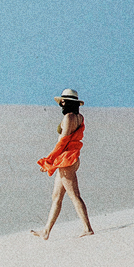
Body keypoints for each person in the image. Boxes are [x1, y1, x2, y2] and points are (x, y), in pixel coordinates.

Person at [32, 89, 94, 240]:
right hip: (69, 159)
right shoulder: (79, 117)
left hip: (66, 159)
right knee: (56, 196)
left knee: (74, 195)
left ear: (67, 102)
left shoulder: (68, 117)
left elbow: (63, 141)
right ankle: (46, 231)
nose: (61, 103)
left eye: (63, 101)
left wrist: (49, 159)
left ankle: (87, 228)